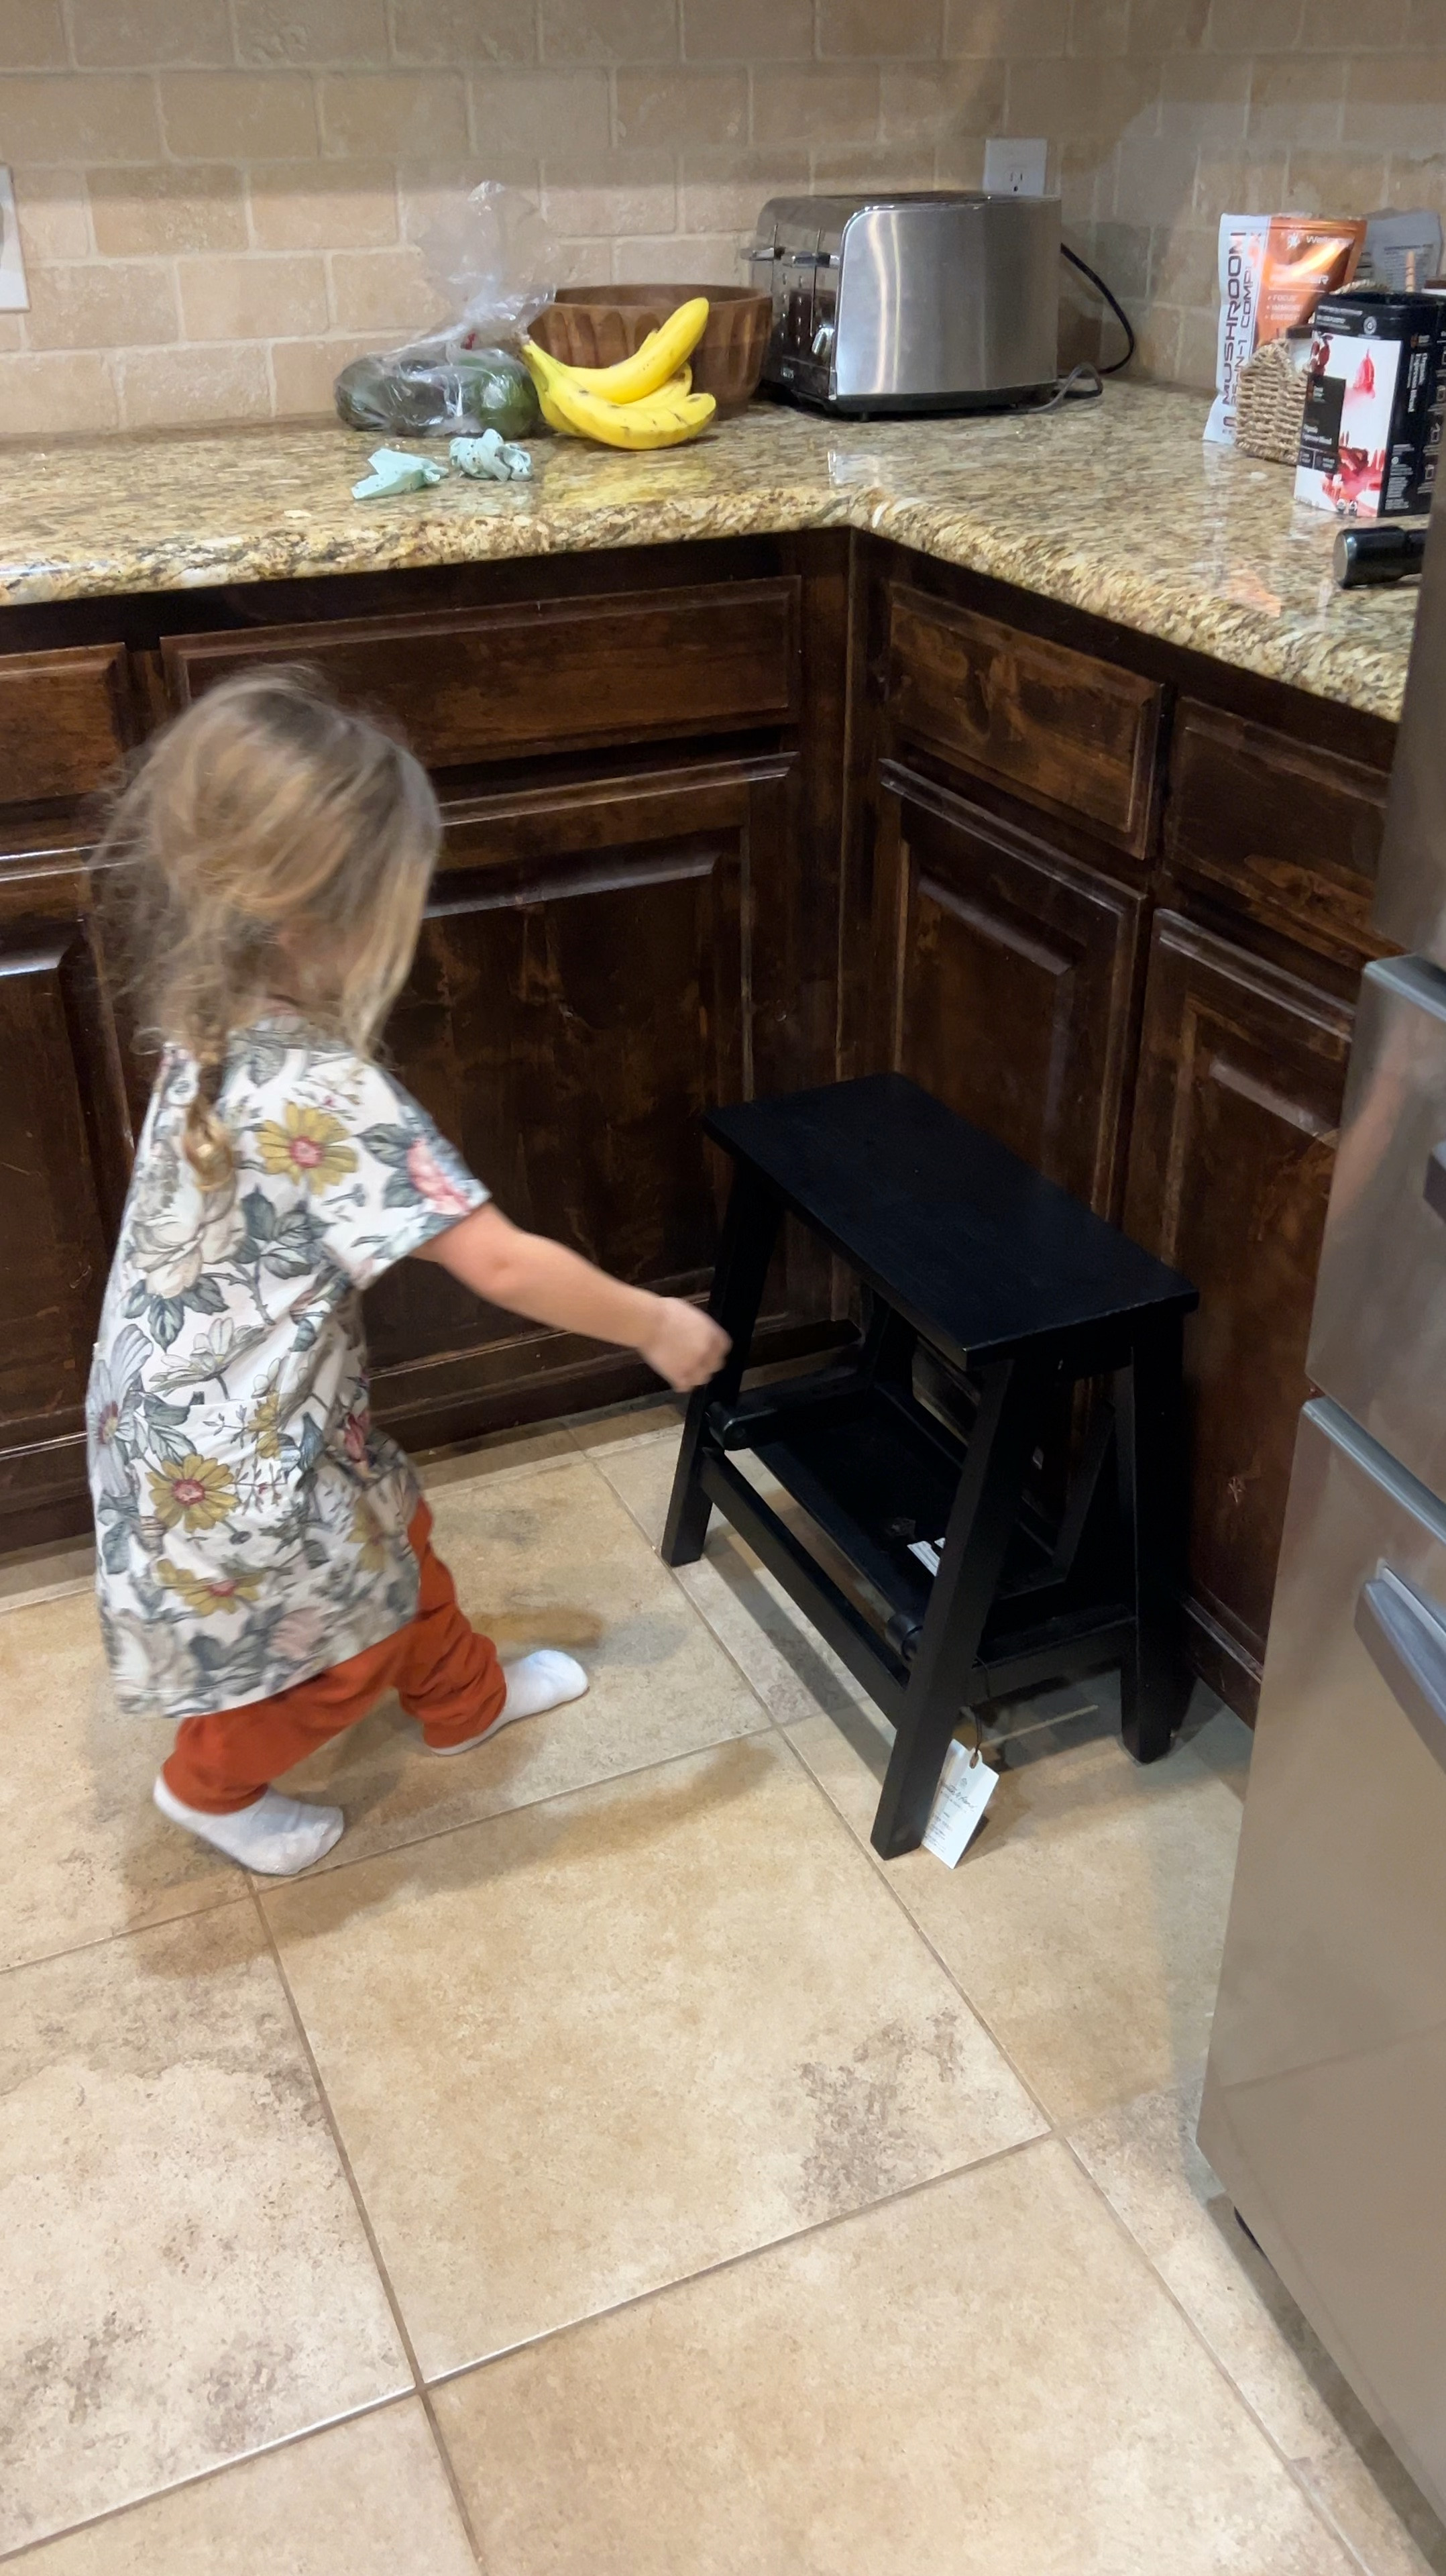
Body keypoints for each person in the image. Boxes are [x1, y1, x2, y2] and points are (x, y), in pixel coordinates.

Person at [87, 668, 728, 1879]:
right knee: (344, 1652)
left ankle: (464, 1701)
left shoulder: (204, 1014)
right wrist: (653, 1324)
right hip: (242, 1450)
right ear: (311, 915)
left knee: (397, 1534)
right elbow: (495, 1258)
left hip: (190, 1410)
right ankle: (210, 1785)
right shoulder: (330, 1094)